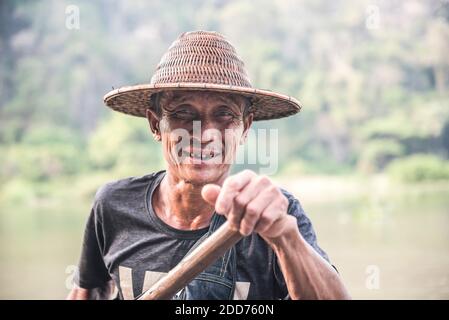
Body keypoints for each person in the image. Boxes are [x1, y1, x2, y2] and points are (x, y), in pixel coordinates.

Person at [67, 31, 350, 300]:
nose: (204, 134)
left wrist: (283, 236)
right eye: (183, 114)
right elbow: (88, 291)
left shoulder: (274, 214)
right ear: (156, 124)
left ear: (245, 127)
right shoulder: (114, 205)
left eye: (224, 114)